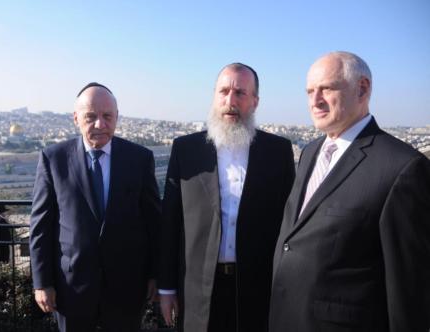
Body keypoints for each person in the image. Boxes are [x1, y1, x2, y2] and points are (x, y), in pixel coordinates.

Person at [269, 51, 430, 332]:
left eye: (326, 88)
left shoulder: (402, 167)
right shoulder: (309, 153)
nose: (314, 101)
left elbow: (408, 288)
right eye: (309, 91)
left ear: (363, 88)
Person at [159, 63, 296, 332]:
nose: (230, 101)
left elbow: (288, 224)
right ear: (214, 96)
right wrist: (166, 288)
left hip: (257, 289)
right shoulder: (186, 150)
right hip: (197, 291)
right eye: (223, 91)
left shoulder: (278, 152)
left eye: (240, 93)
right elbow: (170, 223)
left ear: (254, 101)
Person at [29, 82, 161, 332]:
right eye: (91, 117)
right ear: (76, 118)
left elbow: (154, 222)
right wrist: (41, 282)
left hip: (127, 286)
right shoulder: (54, 159)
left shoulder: (140, 159)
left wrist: (156, 274)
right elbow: (40, 226)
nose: (100, 124)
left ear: (117, 118)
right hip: (71, 288)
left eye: (107, 116)